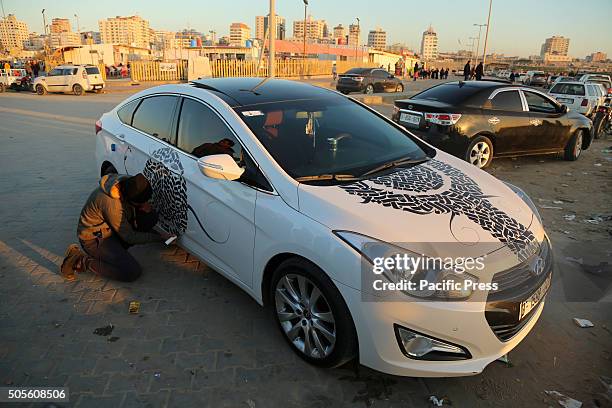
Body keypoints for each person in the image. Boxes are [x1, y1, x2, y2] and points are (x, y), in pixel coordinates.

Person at [60, 173, 172, 282]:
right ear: (131, 199)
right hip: (94, 240)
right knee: (131, 272)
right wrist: (159, 237)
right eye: (140, 202)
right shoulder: (111, 204)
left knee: (149, 216)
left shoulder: (128, 183)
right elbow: (129, 237)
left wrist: (144, 208)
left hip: (110, 230)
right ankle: (79, 260)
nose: (145, 203)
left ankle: (115, 254)